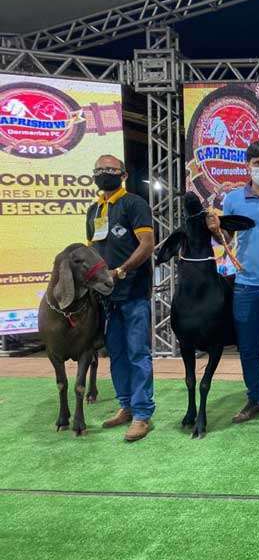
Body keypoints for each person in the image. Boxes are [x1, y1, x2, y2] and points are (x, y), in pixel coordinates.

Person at [207, 140, 259, 432]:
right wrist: (216, 231)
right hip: (244, 285)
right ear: (247, 166)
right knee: (248, 348)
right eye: (258, 163)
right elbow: (226, 241)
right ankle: (256, 398)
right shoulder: (232, 200)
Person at [86, 154, 155, 442]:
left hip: (133, 292)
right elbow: (90, 251)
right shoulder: (93, 210)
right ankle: (125, 405)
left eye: (110, 170)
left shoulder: (134, 204)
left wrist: (121, 270)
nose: (105, 173)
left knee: (138, 353)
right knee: (115, 354)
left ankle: (142, 414)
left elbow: (147, 245)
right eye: (100, 169)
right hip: (106, 297)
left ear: (123, 175)